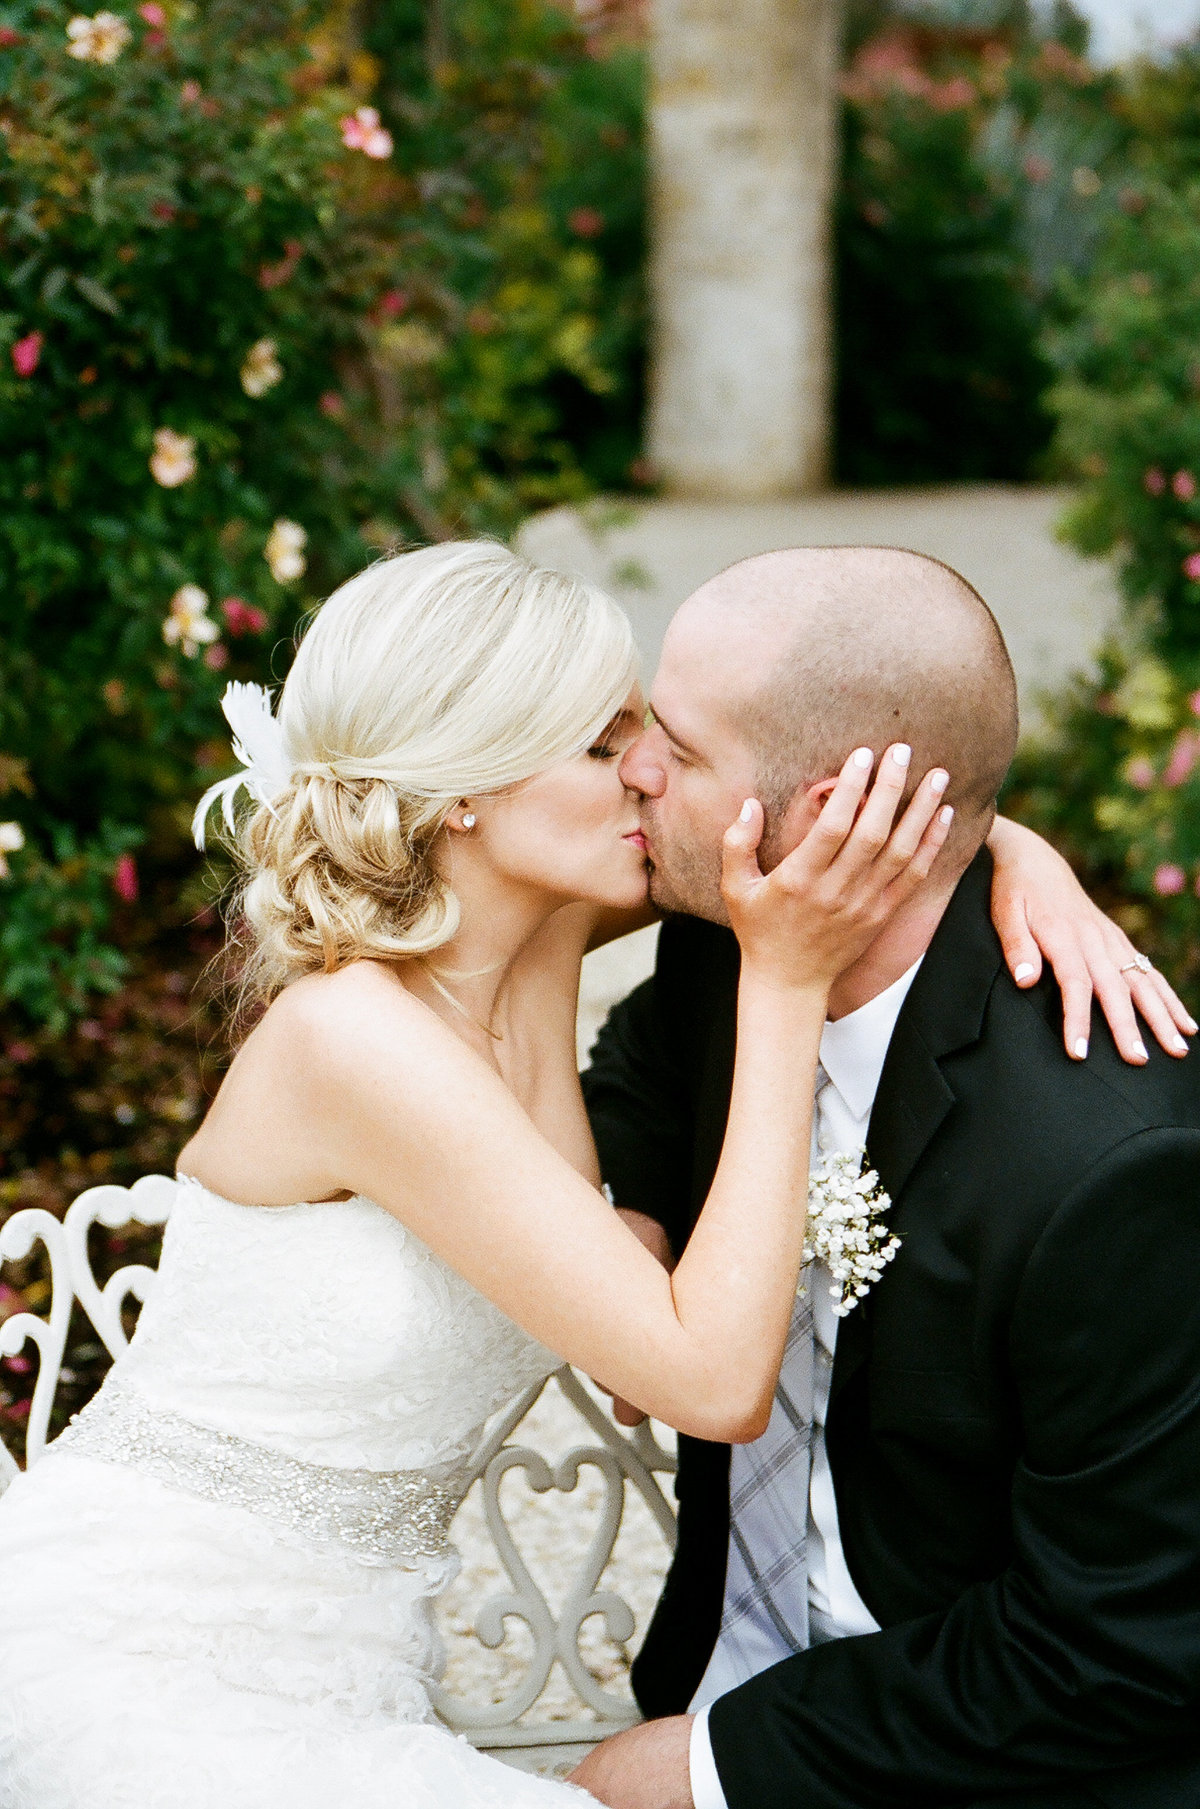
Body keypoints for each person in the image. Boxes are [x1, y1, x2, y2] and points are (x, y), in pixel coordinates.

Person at [0, 543, 1179, 1809]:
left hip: (345, 1671)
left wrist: (1011, 854)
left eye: (653, 735)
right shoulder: (353, 1042)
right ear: (467, 792)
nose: (647, 776)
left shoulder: (542, 908)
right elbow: (712, 1382)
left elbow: (839, 790)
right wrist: (785, 984)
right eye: (609, 742)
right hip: (147, 1661)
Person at [572, 546, 1200, 1809]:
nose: (634, 765)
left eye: (683, 751)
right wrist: (627, 1226)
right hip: (718, 1658)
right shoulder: (726, 947)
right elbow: (635, 1080)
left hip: (997, 1758)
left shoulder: (1117, 1169)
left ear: (839, 813)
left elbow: (1118, 1652)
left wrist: (709, 1766)